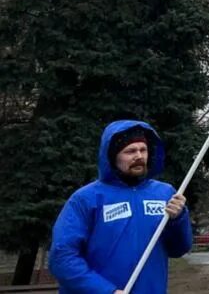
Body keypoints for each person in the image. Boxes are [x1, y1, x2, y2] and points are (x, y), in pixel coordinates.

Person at [49, 120, 192, 294]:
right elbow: (62, 257)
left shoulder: (165, 193)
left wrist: (178, 219)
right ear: (112, 156)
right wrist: (104, 290)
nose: (139, 156)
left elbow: (179, 249)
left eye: (143, 149)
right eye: (130, 151)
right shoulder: (86, 198)